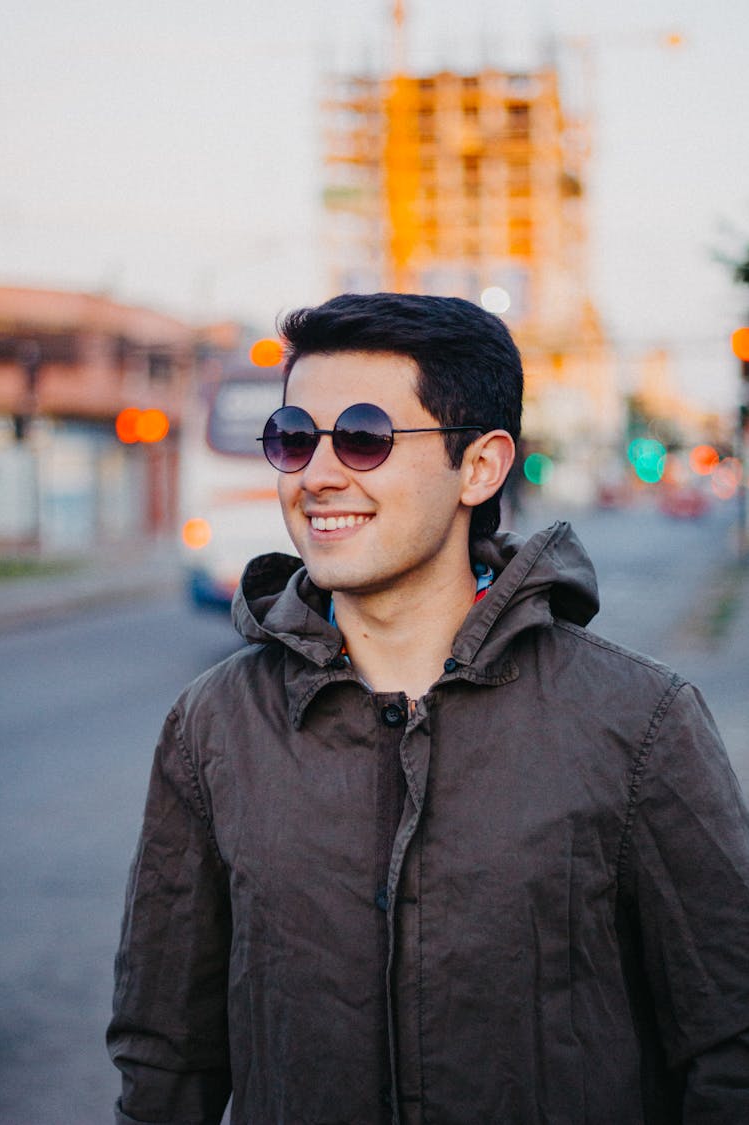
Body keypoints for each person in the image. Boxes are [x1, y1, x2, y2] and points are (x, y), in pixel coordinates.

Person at [108, 292, 749, 1124]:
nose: (319, 474)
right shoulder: (211, 729)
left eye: (366, 437)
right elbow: (165, 1067)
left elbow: (728, 1046)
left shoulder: (639, 722)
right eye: (295, 438)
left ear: (480, 466)